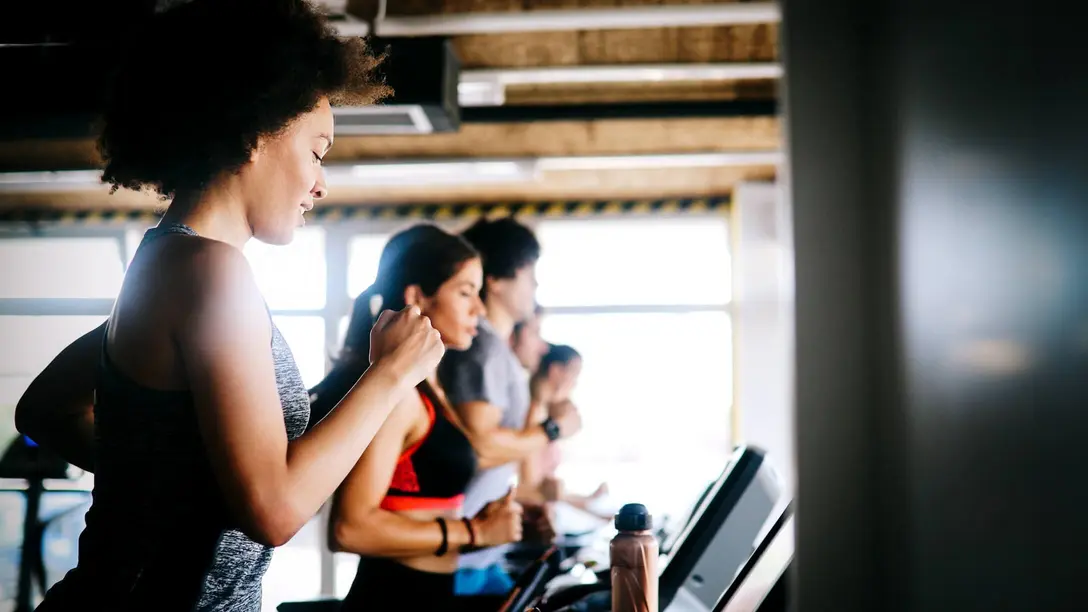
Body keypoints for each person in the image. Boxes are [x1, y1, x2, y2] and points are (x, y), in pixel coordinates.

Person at [12, 2, 445, 610]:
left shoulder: (165, 265)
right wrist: (391, 373)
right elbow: (275, 511)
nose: (322, 183)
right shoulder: (210, 273)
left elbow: (45, 409)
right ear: (253, 132)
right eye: (317, 151)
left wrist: (170, 490)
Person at [317, 224, 523, 611]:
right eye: (465, 293)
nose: (478, 309)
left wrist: (485, 521)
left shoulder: (431, 389)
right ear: (418, 297)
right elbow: (351, 528)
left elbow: (418, 501)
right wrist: (475, 531)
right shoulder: (402, 397)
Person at [437, 217, 582, 597]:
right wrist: (553, 429)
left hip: (481, 557)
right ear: (497, 281)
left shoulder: (497, 352)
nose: (535, 286)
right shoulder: (482, 350)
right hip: (457, 559)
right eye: (528, 275)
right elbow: (479, 449)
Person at [520, 345, 611, 520]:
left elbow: (549, 492)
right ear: (555, 371)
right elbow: (531, 489)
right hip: (535, 519)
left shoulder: (545, 416)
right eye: (574, 373)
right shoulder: (535, 417)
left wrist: (589, 503)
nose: (576, 382)